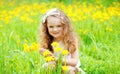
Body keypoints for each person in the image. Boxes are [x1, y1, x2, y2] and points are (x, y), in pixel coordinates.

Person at [39, 8, 85, 74]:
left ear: (65, 26)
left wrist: (58, 59)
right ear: (46, 28)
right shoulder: (48, 39)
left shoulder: (72, 39)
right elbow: (44, 52)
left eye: (59, 26)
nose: (55, 29)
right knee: (46, 67)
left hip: (70, 67)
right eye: (51, 27)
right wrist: (43, 52)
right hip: (55, 66)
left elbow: (75, 62)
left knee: (68, 70)